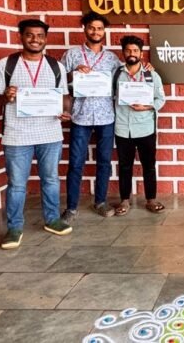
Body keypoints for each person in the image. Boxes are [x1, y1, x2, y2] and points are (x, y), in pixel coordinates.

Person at [0, 19, 72, 249]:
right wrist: (5, 96)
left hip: (50, 133)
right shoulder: (5, 65)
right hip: (17, 135)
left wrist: (66, 111)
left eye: (40, 35)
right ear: (21, 37)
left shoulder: (56, 66)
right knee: (16, 184)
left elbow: (64, 96)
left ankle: (52, 219)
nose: (35, 39)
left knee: (51, 179)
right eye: (30, 35)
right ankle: (14, 228)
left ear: (46, 39)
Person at [60, 12, 122, 222]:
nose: (96, 32)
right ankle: (71, 207)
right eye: (92, 28)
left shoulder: (112, 58)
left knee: (104, 161)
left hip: (106, 116)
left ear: (104, 32)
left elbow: (122, 82)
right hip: (80, 116)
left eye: (100, 28)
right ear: (85, 29)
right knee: (75, 163)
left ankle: (101, 202)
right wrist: (73, 73)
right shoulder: (72, 55)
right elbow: (58, 82)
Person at [113, 35, 166, 215]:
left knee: (149, 165)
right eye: (128, 50)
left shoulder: (151, 75)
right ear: (123, 53)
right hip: (122, 128)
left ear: (141, 54)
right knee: (124, 166)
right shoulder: (116, 74)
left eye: (135, 50)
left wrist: (147, 106)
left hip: (145, 128)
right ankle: (124, 201)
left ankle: (151, 199)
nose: (132, 53)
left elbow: (161, 99)